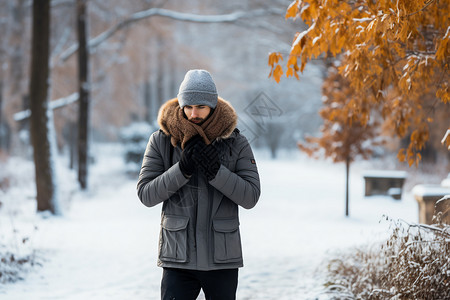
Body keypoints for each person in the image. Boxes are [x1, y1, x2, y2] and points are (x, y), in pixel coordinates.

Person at [137, 69, 261, 300]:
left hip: (221, 260)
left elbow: (251, 196)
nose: (194, 113)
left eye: (201, 107)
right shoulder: (161, 141)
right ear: (181, 105)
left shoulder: (236, 142)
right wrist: (181, 170)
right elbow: (146, 194)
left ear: (213, 106)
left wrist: (216, 172)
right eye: (188, 106)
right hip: (178, 259)